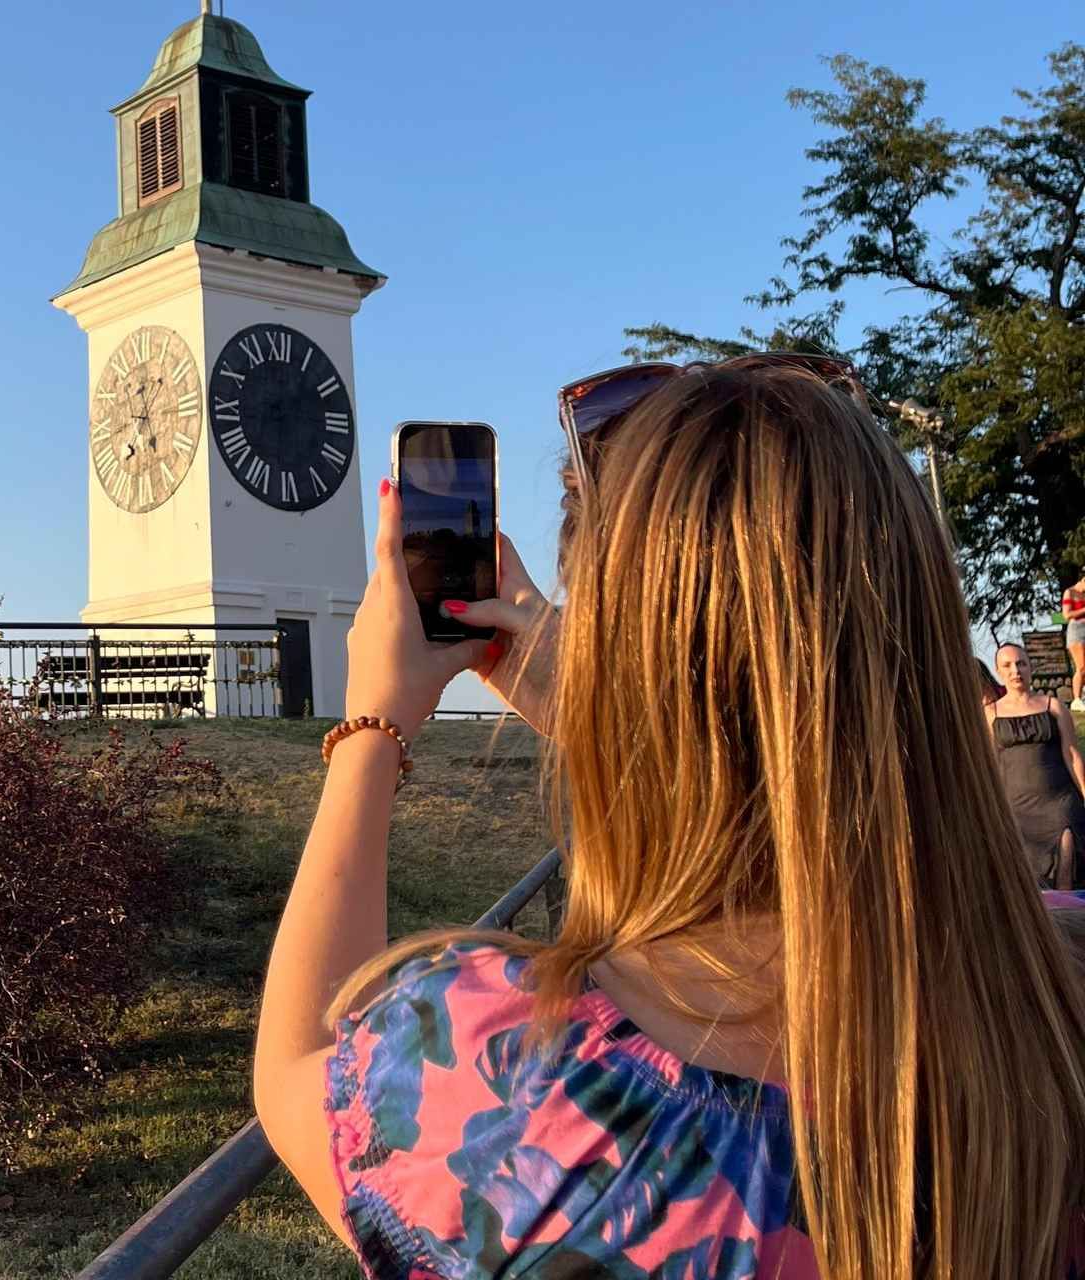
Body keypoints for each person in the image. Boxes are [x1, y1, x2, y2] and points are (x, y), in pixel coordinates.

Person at [252, 356, 1085, 1279]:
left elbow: (308, 1059)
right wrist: (622, 717)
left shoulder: (521, 1087)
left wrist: (374, 724)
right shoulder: (1052, 995)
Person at [988, 643, 1085, 890]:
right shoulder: (990, 714)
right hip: (1016, 808)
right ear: (999, 672)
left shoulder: (1053, 706)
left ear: (1031, 667)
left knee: (1066, 869)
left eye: (1021, 663)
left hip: (1059, 802)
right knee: (1025, 883)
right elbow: (987, 764)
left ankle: (1066, 927)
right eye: (1007, 665)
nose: (1015, 670)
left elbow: (1072, 754)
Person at [1064, 575, 1085, 711]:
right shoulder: (1070, 592)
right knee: (1082, 667)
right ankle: (1076, 700)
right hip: (1077, 631)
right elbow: (1066, 615)